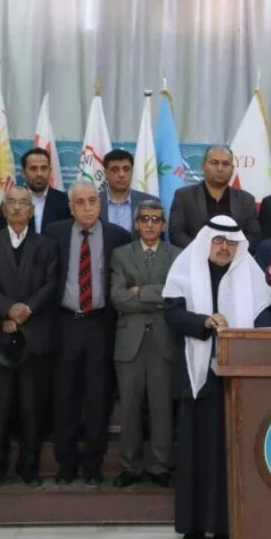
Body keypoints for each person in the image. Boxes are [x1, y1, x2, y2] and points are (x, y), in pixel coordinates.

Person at [163, 215, 271, 539]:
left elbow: (264, 316)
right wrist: (204, 321)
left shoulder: (249, 272)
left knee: (232, 452)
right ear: (207, 241)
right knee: (196, 452)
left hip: (238, 377)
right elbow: (172, 313)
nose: (224, 247)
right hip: (198, 377)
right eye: (218, 241)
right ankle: (193, 528)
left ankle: (227, 525)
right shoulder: (186, 266)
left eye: (231, 242)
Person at [42, 181, 132, 486]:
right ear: (70, 207)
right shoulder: (54, 233)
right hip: (65, 324)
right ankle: (65, 463)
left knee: (98, 397)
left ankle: (93, 463)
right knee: (64, 395)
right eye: (80, 202)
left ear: (100, 203)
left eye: (93, 201)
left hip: (101, 325)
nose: (87, 207)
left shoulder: (118, 236)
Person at [0, 185, 59, 487]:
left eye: (23, 203)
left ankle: (29, 467)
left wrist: (26, 310)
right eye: (10, 202)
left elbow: (51, 284)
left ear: (32, 209)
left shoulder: (47, 245)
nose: (16, 207)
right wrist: (7, 310)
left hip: (33, 337)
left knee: (31, 408)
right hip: (0, 334)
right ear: (2, 209)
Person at [109, 200, 181, 488]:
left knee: (162, 407)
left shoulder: (176, 255)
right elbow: (118, 297)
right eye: (145, 219)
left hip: (164, 341)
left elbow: (177, 294)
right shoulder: (121, 254)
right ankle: (130, 466)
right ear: (137, 223)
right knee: (129, 408)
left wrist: (140, 292)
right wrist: (157, 298)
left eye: (156, 219)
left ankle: (161, 466)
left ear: (163, 225)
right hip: (130, 343)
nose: (150, 224)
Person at [169, 146, 261, 251]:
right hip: (194, 257)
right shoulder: (184, 196)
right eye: (214, 163)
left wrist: (232, 254)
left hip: (234, 258)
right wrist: (201, 253)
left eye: (226, 164)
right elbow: (176, 233)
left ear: (232, 169)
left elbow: (254, 236)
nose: (220, 168)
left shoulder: (246, 200)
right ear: (203, 167)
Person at [0, 147, 72, 233]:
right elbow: (3, 236)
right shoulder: (10, 202)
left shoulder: (64, 201)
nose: (39, 174)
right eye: (33, 168)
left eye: (44, 168)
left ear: (50, 171)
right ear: (23, 173)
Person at [98, 148, 158, 235]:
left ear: (132, 172)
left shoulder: (150, 203)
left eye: (126, 169)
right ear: (106, 173)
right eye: (115, 170)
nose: (121, 175)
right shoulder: (95, 202)